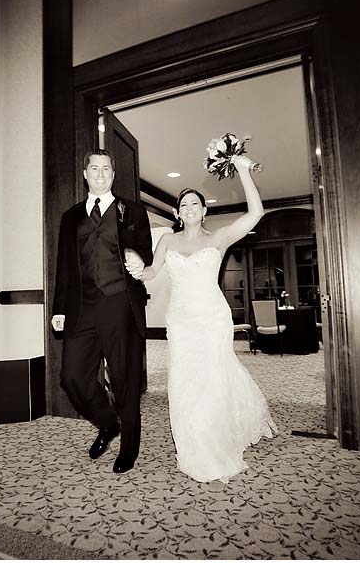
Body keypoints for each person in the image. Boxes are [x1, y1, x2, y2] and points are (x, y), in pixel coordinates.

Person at [126, 155, 277, 483]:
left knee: (211, 378)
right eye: (184, 204)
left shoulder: (218, 238)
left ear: (204, 210)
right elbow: (152, 271)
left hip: (212, 318)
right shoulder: (167, 239)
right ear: (178, 213)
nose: (189, 207)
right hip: (180, 321)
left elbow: (255, 213)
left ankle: (215, 439)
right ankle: (193, 445)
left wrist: (242, 170)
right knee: (184, 382)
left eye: (195, 203)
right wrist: (140, 269)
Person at [51, 149, 153, 474]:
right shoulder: (70, 217)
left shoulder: (133, 211)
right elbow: (64, 267)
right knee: (72, 377)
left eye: (105, 168)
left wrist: (139, 259)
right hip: (82, 308)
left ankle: (129, 449)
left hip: (120, 303)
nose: (99, 173)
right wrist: (59, 309)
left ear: (112, 174)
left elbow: (146, 252)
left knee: (125, 380)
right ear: (85, 174)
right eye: (93, 168)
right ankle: (109, 424)